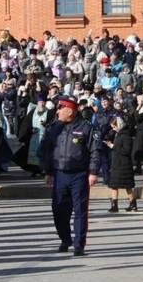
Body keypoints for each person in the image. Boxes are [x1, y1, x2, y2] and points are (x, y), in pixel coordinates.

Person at [38, 96, 100, 256]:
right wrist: (48, 171)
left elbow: (95, 151)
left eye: (61, 108)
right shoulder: (54, 127)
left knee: (80, 210)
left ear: (70, 111)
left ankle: (79, 245)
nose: (57, 111)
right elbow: (45, 150)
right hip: (59, 174)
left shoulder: (86, 127)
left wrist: (93, 172)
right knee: (58, 209)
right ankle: (65, 239)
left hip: (79, 174)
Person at [106, 115, 138, 213]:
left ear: (119, 125)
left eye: (114, 126)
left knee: (127, 186)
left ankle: (133, 204)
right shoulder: (117, 134)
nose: (113, 129)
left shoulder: (126, 135)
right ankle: (114, 205)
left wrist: (113, 146)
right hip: (116, 164)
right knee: (114, 185)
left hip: (124, 164)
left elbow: (126, 150)